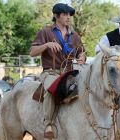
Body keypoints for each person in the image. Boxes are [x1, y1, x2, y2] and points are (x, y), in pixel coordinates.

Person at [30, 3, 86, 139]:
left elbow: (82, 52)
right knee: (52, 89)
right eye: (65, 14)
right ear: (56, 16)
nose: (68, 17)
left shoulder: (74, 35)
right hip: (50, 72)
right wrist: (46, 45)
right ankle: (48, 123)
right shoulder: (46, 32)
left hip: (70, 73)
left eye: (69, 15)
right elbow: (32, 52)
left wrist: (81, 57)